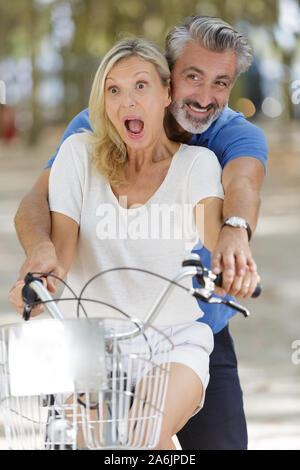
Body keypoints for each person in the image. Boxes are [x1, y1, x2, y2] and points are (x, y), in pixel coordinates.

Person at [9, 16, 268, 449]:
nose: (205, 96)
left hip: (187, 328)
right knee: (101, 442)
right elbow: (44, 214)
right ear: (171, 77)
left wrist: (233, 240)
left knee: (142, 434)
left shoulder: (211, 152)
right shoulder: (86, 139)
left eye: (221, 82)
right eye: (194, 77)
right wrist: (42, 263)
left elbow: (238, 190)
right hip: (92, 334)